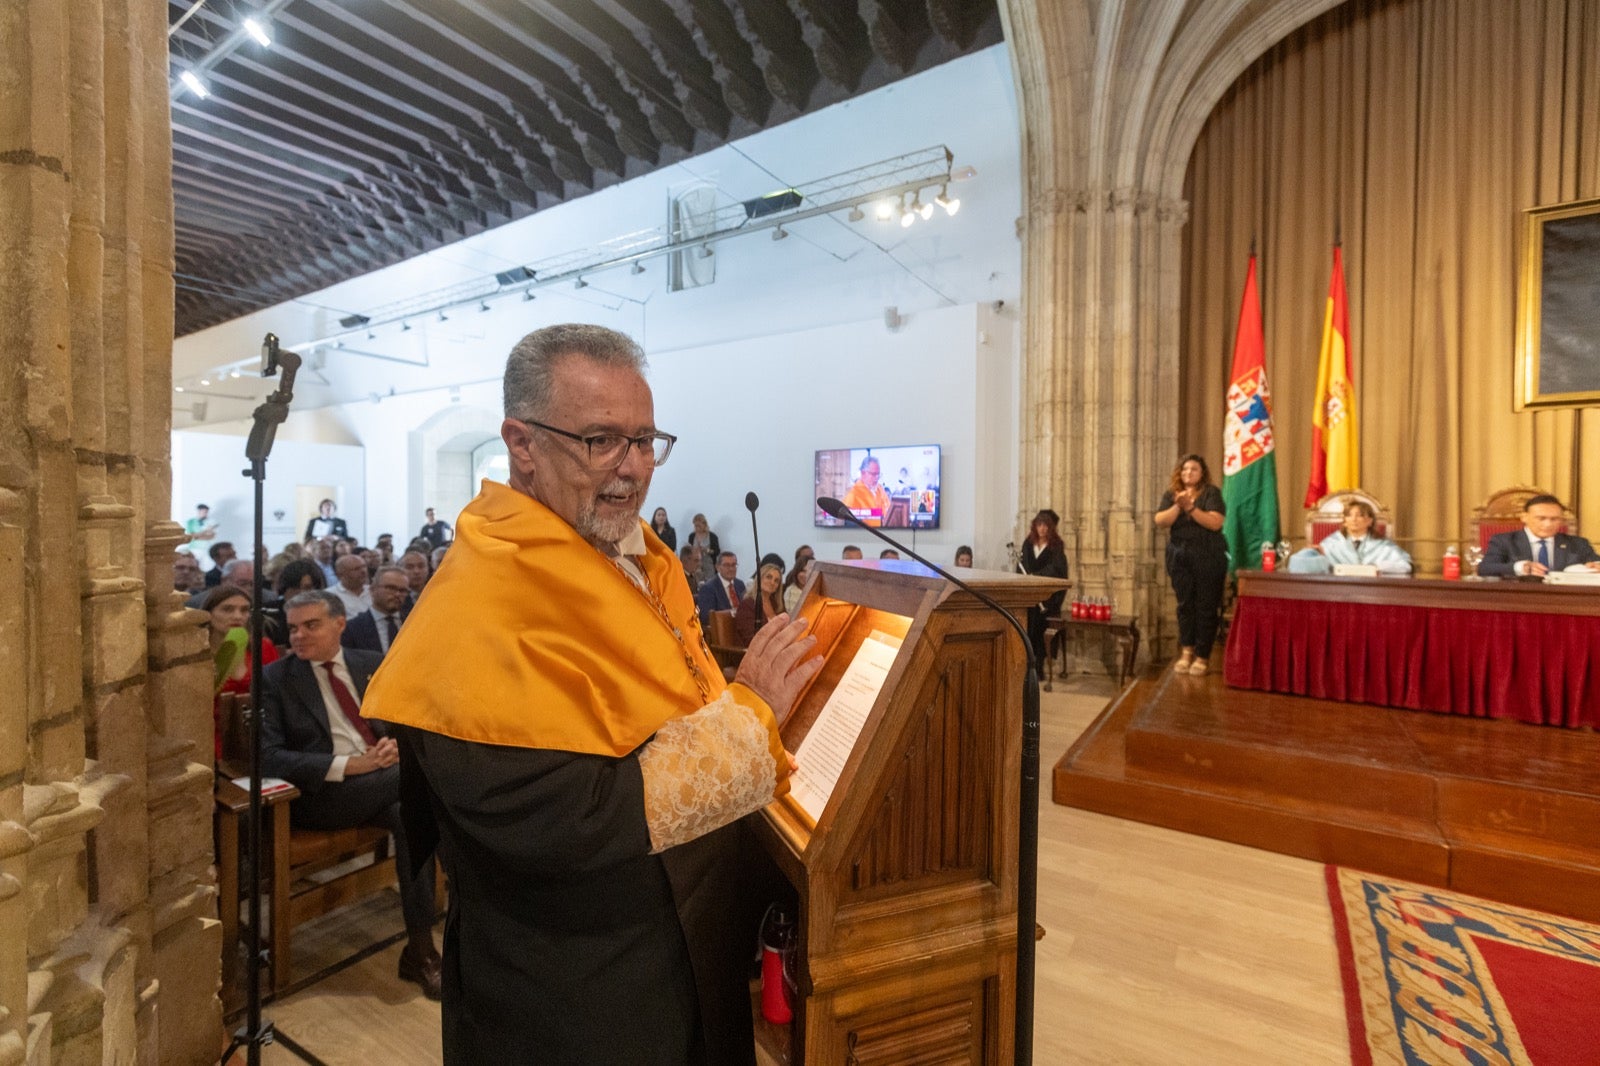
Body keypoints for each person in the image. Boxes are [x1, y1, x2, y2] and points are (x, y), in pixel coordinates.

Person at [361, 323, 819, 1065]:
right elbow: (570, 821)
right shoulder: (479, 609)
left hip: (683, 951)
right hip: (577, 993)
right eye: (602, 439)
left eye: (645, 441)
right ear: (522, 444)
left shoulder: (627, 557)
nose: (632, 469)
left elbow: (677, 702)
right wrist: (753, 712)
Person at [260, 591, 441, 998]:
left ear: (340, 623)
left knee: (409, 816)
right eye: (292, 628)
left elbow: (401, 722)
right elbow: (269, 758)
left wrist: (394, 746)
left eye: (311, 625)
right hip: (320, 796)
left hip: (381, 785)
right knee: (417, 784)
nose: (298, 636)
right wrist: (347, 766)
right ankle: (471, 888)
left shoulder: (367, 663)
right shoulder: (275, 679)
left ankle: (421, 949)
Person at [1153, 454, 1228, 676]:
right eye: (1184, 470)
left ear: (1202, 472)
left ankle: (1202, 656)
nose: (1188, 473)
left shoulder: (1211, 493)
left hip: (1208, 556)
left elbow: (1216, 523)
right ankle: (1187, 652)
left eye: (1193, 469)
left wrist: (1192, 508)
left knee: (1206, 606)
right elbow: (1160, 521)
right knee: (1185, 605)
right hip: (1180, 557)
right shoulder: (1172, 494)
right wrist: (1179, 505)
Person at [203, 585, 279, 762]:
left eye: (244, 610)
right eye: (227, 609)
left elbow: (277, 694)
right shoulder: (197, 653)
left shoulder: (263, 647)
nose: (238, 616)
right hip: (211, 735)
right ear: (209, 613)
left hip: (259, 734)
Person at [1478, 494, 1600, 577]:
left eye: (1554, 519)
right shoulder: (1504, 541)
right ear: (1524, 517)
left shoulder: (1578, 543)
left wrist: (1596, 566)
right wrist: (1520, 568)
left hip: (1567, 601)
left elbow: (1596, 561)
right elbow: (1485, 569)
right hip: (1519, 600)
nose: (1548, 524)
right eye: (1541, 518)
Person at [1287, 501, 1412, 575]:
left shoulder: (1383, 545)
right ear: (1344, 521)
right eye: (1349, 515)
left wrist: (1375, 566)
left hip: (1373, 592)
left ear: (1369, 521)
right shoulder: (1331, 544)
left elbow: (1405, 566)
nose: (1353, 519)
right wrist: (1312, 554)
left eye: (1359, 515)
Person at [1019, 510, 1069, 663]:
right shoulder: (1028, 544)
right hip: (1029, 597)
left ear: (1050, 528)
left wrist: (1037, 576)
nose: (1042, 529)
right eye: (1039, 525)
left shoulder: (1056, 546)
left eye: (1046, 525)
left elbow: (1057, 569)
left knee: (1042, 632)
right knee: (1028, 631)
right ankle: (1028, 666)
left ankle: (1040, 667)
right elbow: (1021, 566)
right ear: (1035, 526)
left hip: (1047, 599)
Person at [343, 566, 414, 656]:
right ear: (372, 589)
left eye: (403, 590)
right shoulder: (351, 629)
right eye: (390, 588)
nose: (397, 594)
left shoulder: (413, 623)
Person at [734, 562, 784, 645]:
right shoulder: (747, 605)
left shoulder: (777, 605)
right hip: (757, 652)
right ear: (759, 579)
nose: (772, 582)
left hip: (778, 648)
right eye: (768, 577)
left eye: (776, 581)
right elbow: (749, 639)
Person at [695, 550, 745, 628]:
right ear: (717, 567)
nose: (731, 569)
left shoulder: (740, 584)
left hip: (742, 626)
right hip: (724, 629)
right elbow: (707, 618)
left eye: (734, 565)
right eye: (727, 565)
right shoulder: (708, 588)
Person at [842, 456, 890, 526]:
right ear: (863, 473)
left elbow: (889, 511)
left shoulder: (880, 489)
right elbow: (851, 525)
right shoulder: (854, 494)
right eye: (873, 474)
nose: (877, 478)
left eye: (878, 474)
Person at [686, 513, 719, 584]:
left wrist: (707, 550)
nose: (697, 527)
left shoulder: (712, 536)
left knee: (710, 584)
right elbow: (688, 551)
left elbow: (717, 551)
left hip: (709, 565)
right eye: (695, 526)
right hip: (695, 565)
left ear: (704, 525)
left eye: (699, 526)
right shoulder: (692, 536)